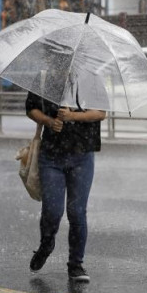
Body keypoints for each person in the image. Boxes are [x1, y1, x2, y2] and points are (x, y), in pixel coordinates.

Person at [25, 92, 105, 282]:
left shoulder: (91, 76)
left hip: (83, 155)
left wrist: (72, 116)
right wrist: (49, 122)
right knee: (52, 210)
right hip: (51, 155)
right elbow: (31, 109)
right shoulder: (46, 76)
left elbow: (101, 112)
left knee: (77, 212)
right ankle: (46, 244)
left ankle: (76, 264)